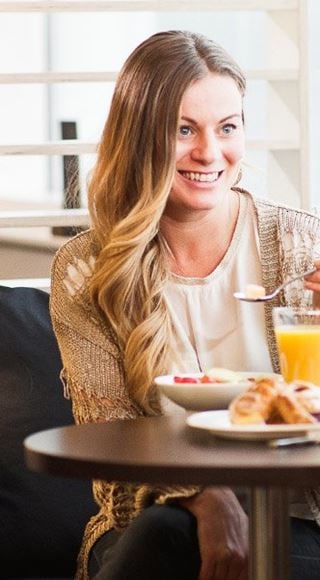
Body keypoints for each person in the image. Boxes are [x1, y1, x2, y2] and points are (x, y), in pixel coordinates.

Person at [50, 30, 320, 580]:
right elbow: (111, 446)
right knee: (163, 534)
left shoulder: (302, 247)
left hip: (299, 522)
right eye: (183, 129)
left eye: (227, 128)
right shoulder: (86, 270)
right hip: (150, 523)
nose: (209, 153)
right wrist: (205, 497)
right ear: (138, 135)